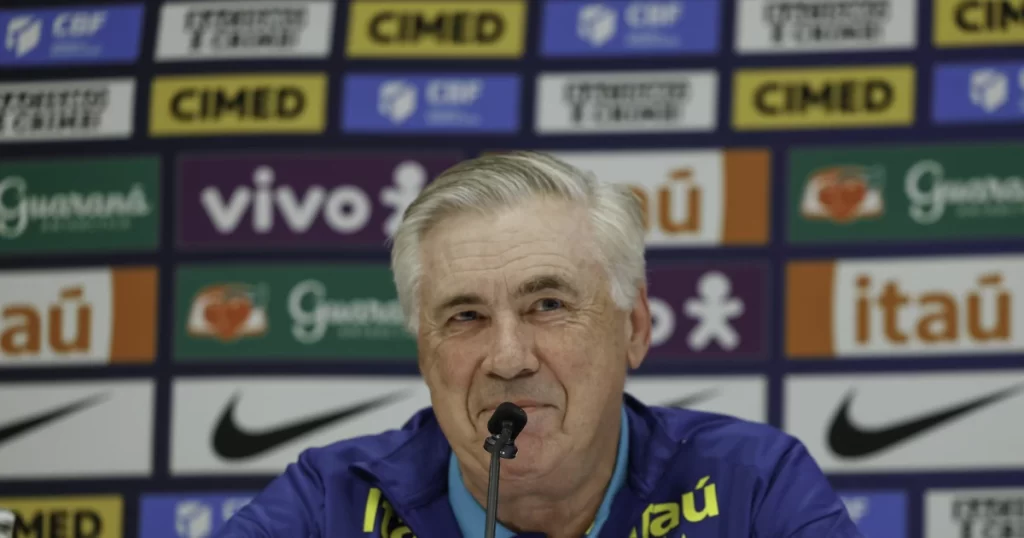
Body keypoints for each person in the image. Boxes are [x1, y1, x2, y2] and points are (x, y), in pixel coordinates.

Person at [212, 152, 864, 538]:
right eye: (465, 316)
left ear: (635, 328)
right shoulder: (333, 503)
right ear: (425, 355)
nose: (508, 358)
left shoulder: (751, 487)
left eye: (548, 305)